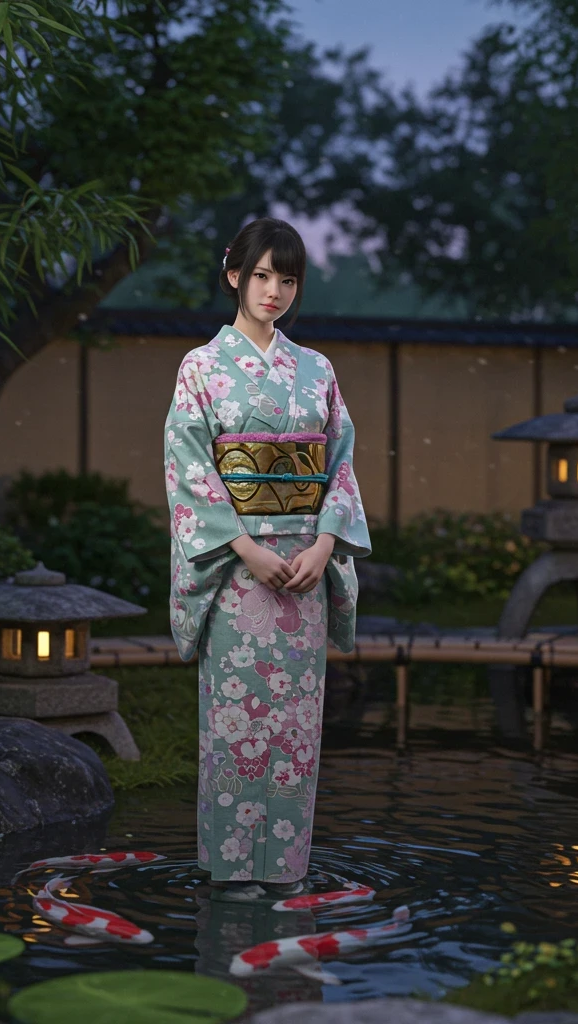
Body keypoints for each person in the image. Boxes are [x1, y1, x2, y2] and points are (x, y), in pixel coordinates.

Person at [163, 217, 371, 901]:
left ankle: (284, 867)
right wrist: (245, 545)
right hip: (237, 566)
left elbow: (338, 462)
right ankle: (228, 871)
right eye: (261, 275)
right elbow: (189, 463)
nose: (273, 290)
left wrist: (325, 543)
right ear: (234, 276)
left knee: (295, 723)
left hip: (303, 569)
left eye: (287, 279)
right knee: (236, 720)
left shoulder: (317, 369)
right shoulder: (201, 366)